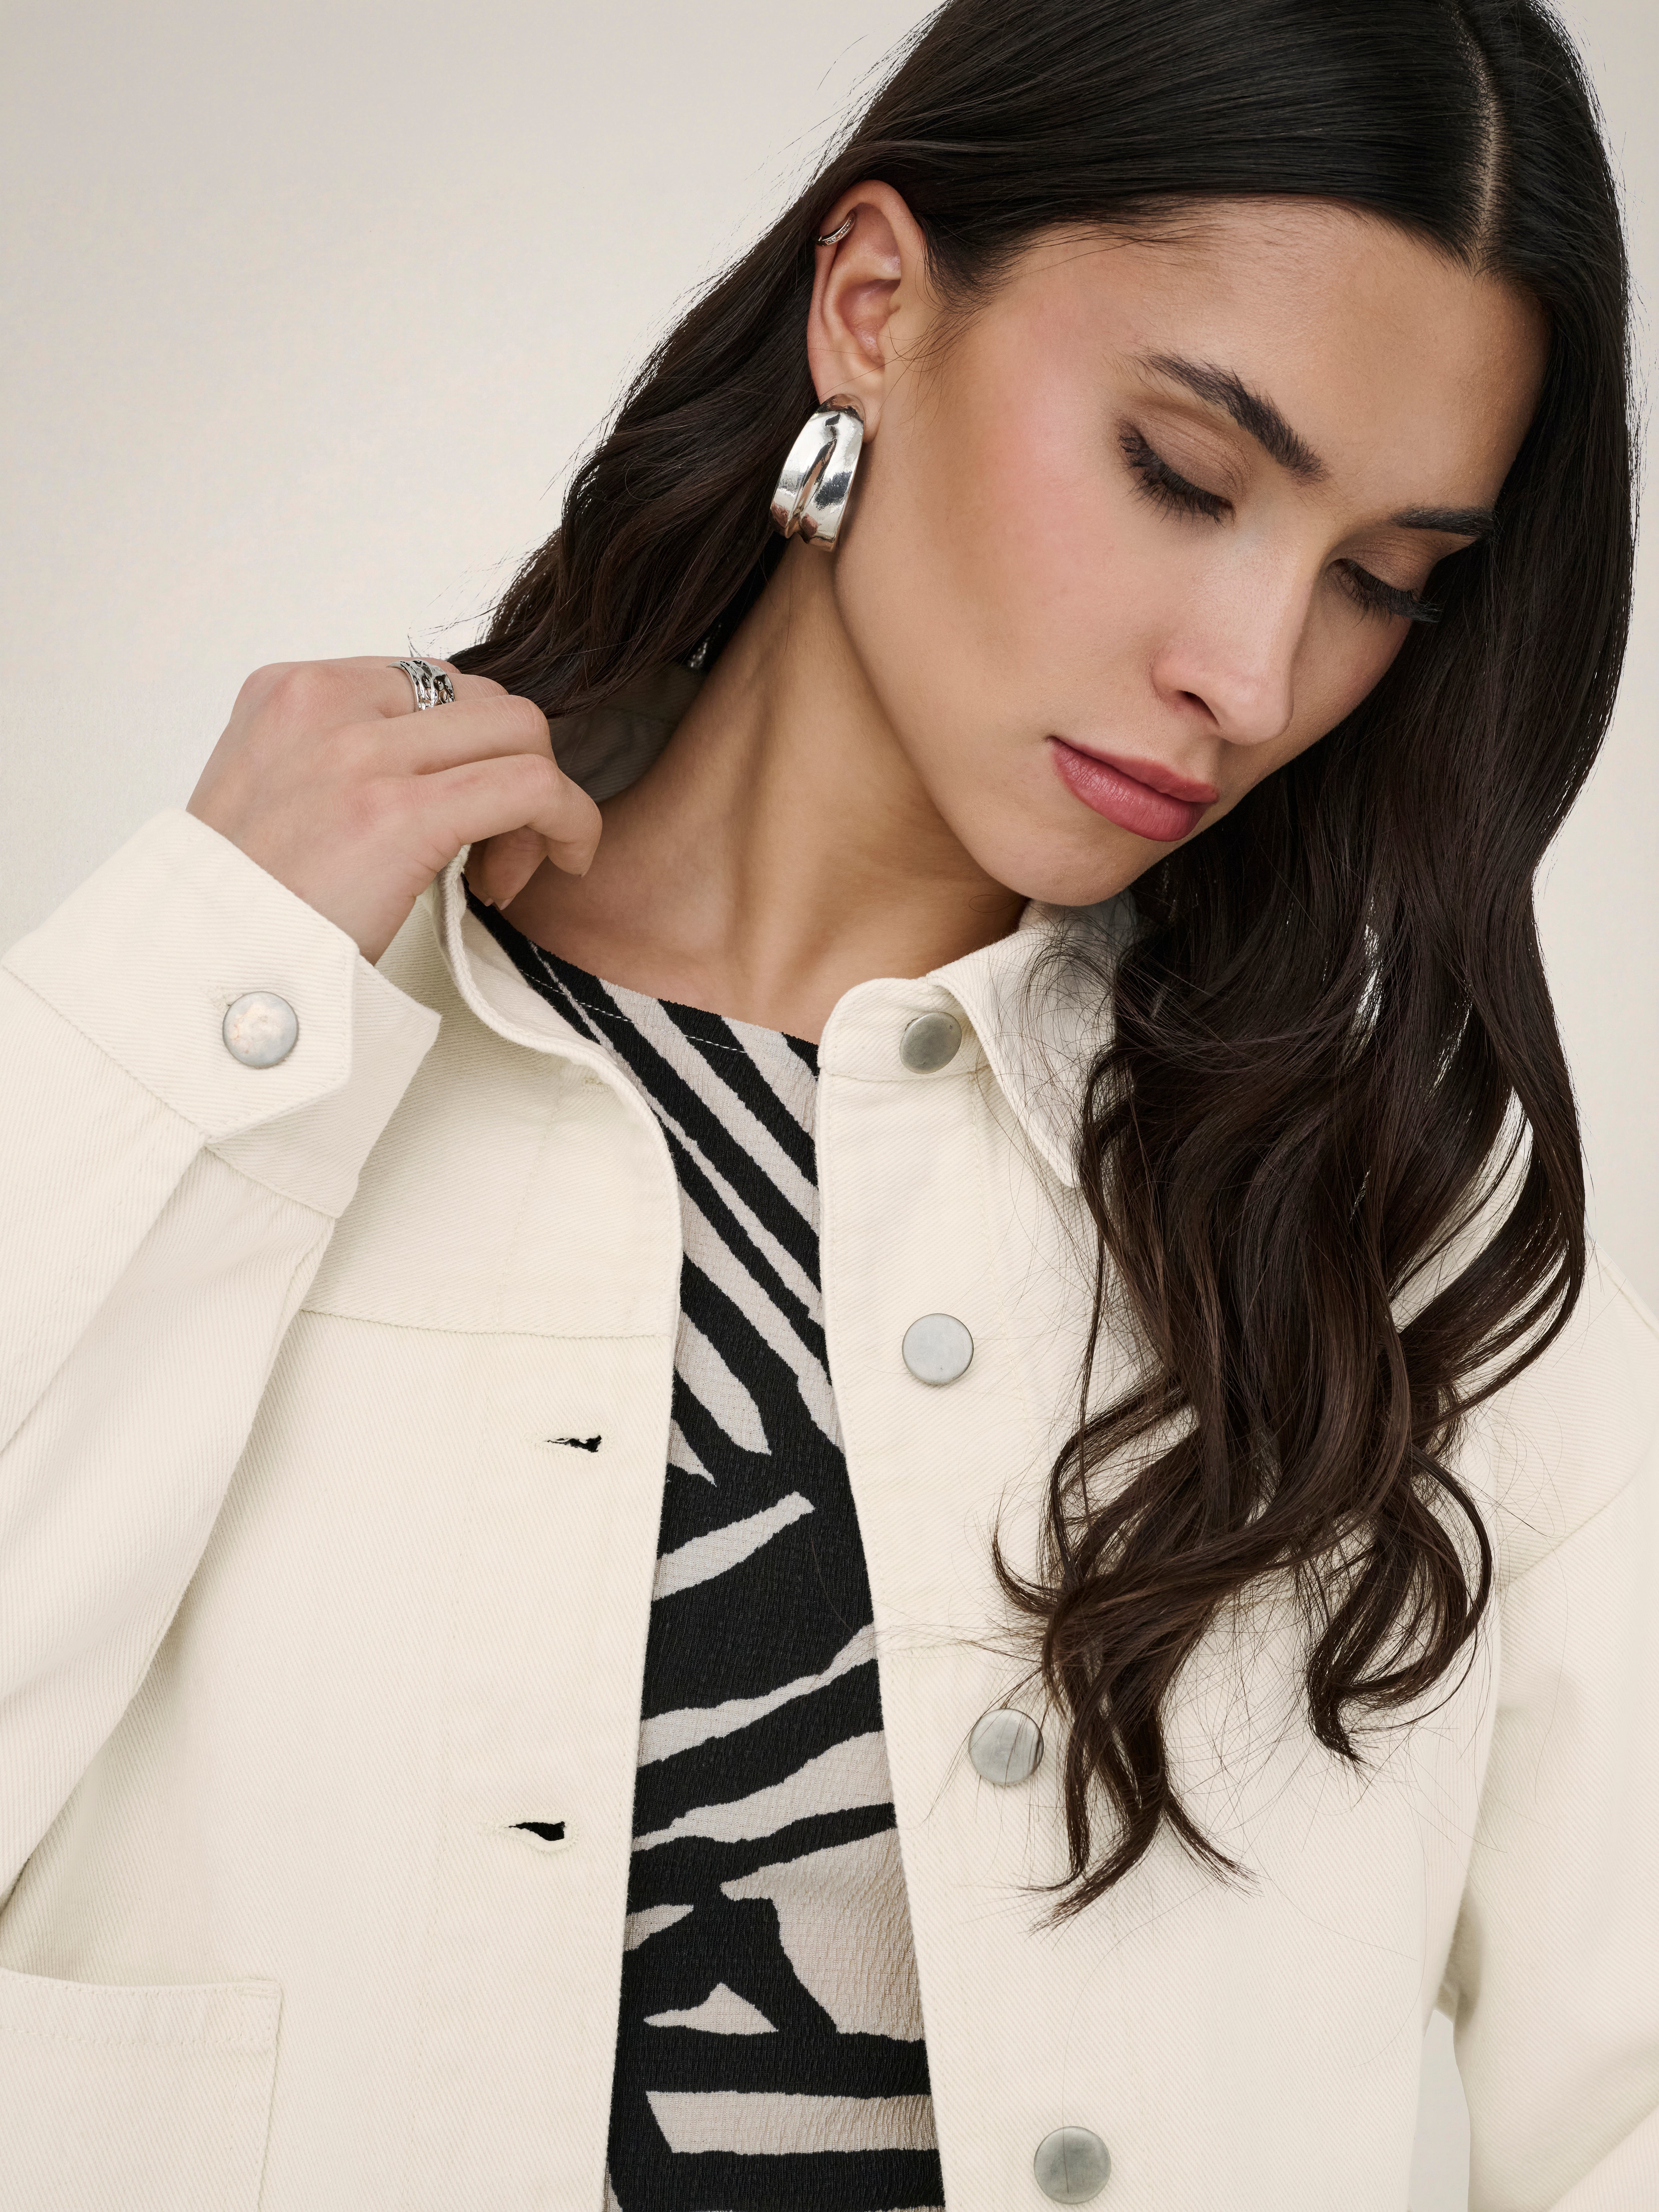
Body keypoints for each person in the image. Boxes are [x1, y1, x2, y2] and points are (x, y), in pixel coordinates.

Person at [1, 0, 1653, 2205]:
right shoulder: (267, 1052)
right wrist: (195, 995)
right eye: (1182, 473)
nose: (1253, 677)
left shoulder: (1398, 1258)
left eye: (1378, 583)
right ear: (871, 304)